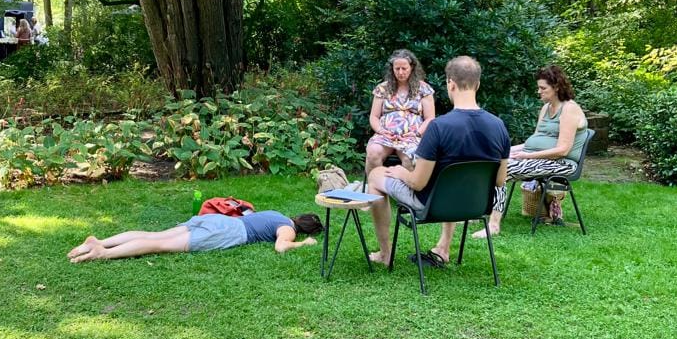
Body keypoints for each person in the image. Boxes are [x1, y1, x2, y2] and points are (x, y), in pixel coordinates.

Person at [366, 55, 510, 267]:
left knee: (376, 175)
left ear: (450, 84)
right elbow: (500, 181)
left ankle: (385, 254)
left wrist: (400, 172)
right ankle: (443, 247)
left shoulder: (439, 127)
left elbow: (417, 183)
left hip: (432, 205)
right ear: (477, 84)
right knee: (450, 180)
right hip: (477, 205)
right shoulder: (499, 126)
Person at [473, 63, 587, 238]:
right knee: (493, 162)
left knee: (503, 170)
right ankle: (477, 213)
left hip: (562, 164)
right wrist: (506, 151)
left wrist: (527, 156)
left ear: (556, 87)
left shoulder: (569, 109)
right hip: (538, 158)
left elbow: (563, 150)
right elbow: (532, 142)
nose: (539, 92)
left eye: (543, 88)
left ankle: (494, 225)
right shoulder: (546, 108)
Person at [68, 210, 323, 263]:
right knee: (159, 245)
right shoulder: (287, 229)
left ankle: (101, 241)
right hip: (229, 232)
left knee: (154, 234)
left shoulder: (276, 213)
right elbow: (281, 247)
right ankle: (104, 252)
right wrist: (303, 243)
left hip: (218, 219)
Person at [365, 49, 435, 176]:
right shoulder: (382, 88)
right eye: (397, 69)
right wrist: (381, 131)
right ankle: (376, 192)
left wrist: (416, 134)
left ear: (412, 67)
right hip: (385, 136)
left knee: (410, 158)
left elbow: (430, 118)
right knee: (373, 153)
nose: (400, 72)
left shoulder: (423, 89)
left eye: (404, 68)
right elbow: (374, 117)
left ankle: (407, 193)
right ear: (392, 69)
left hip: (412, 137)